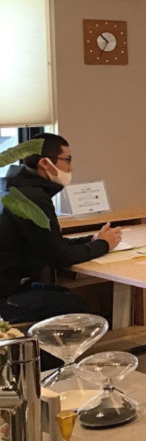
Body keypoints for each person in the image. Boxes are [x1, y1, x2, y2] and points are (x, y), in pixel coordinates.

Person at [0, 133, 121, 324]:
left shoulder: (14, 188)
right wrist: (103, 245)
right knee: (75, 304)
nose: (71, 168)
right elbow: (59, 257)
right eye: (67, 160)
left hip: (10, 286)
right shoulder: (32, 198)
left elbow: (50, 243)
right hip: (6, 295)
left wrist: (92, 240)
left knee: (64, 295)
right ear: (45, 163)